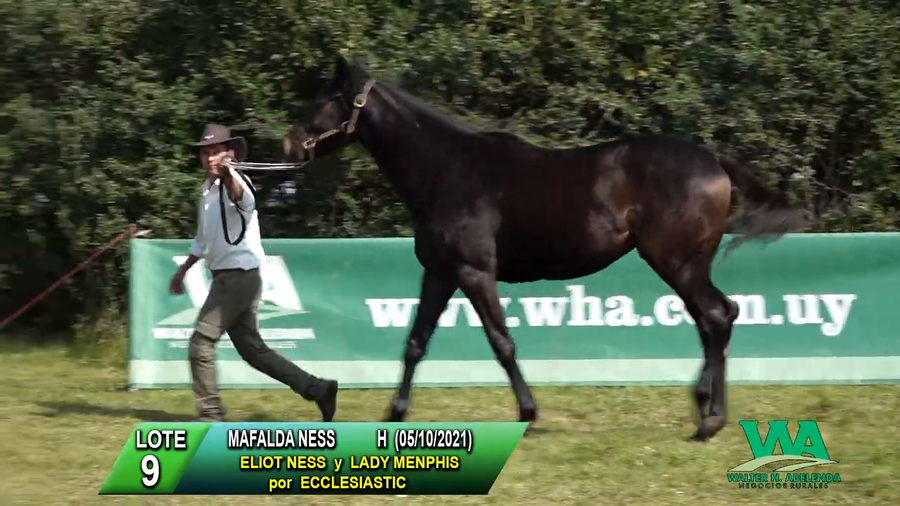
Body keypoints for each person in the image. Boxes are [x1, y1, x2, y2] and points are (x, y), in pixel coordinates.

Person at [168, 124, 338, 422]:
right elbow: (203, 240)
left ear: (229, 154)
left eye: (215, 152)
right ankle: (318, 388)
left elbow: (241, 199)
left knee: (200, 343)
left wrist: (229, 173)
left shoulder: (239, 182)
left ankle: (210, 416)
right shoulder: (206, 192)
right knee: (254, 352)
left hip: (239, 277)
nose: (209, 158)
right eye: (205, 153)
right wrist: (183, 271)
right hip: (229, 277)